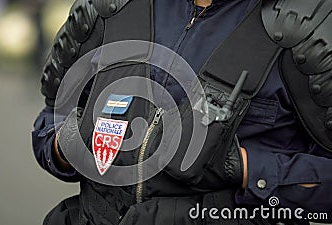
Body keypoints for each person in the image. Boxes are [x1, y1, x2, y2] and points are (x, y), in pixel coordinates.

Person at [32, 0, 332, 224]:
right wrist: (66, 143)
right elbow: (52, 114)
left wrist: (245, 169)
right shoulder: (110, 7)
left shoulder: (309, 31)